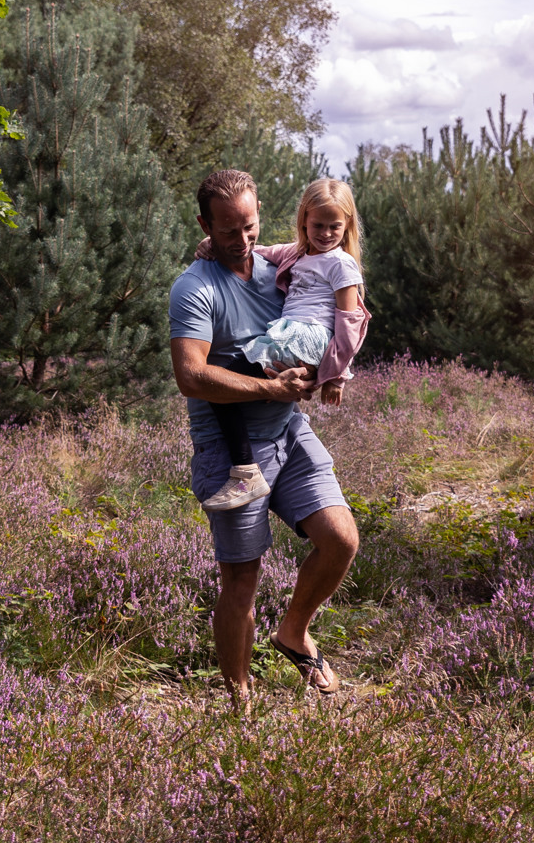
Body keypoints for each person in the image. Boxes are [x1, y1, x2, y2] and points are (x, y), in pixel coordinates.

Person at [168, 169, 361, 709]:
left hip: (289, 433)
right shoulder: (195, 288)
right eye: (226, 230)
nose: (241, 240)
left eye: (249, 226)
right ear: (205, 225)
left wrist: (319, 376)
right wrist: (270, 386)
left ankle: (295, 633)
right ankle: (239, 700)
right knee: (243, 582)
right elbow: (191, 375)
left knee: (341, 539)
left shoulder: (280, 266)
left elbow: (331, 306)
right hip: (232, 452)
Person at [200, 178, 369, 512]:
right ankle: (251, 466)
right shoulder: (298, 253)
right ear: (304, 220)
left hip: (304, 338)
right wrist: (211, 243)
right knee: (227, 385)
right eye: (317, 225)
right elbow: (258, 251)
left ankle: (246, 472)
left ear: (347, 223)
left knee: (219, 384)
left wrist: (335, 376)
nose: (325, 233)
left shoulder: (341, 263)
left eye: (334, 226)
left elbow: (350, 325)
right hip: (289, 335)